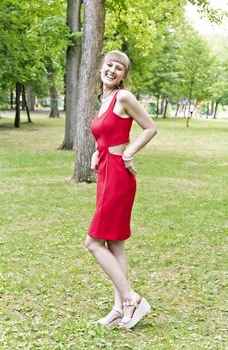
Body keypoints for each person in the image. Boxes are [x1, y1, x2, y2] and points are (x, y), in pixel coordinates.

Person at [85, 50, 157, 329]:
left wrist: (128, 154)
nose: (112, 70)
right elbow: (104, 134)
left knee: (93, 242)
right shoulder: (102, 101)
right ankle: (119, 308)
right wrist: (95, 152)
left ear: (124, 75)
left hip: (118, 175)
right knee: (114, 243)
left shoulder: (123, 98)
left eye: (119, 68)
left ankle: (131, 298)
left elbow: (150, 128)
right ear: (101, 68)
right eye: (109, 65)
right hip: (105, 172)